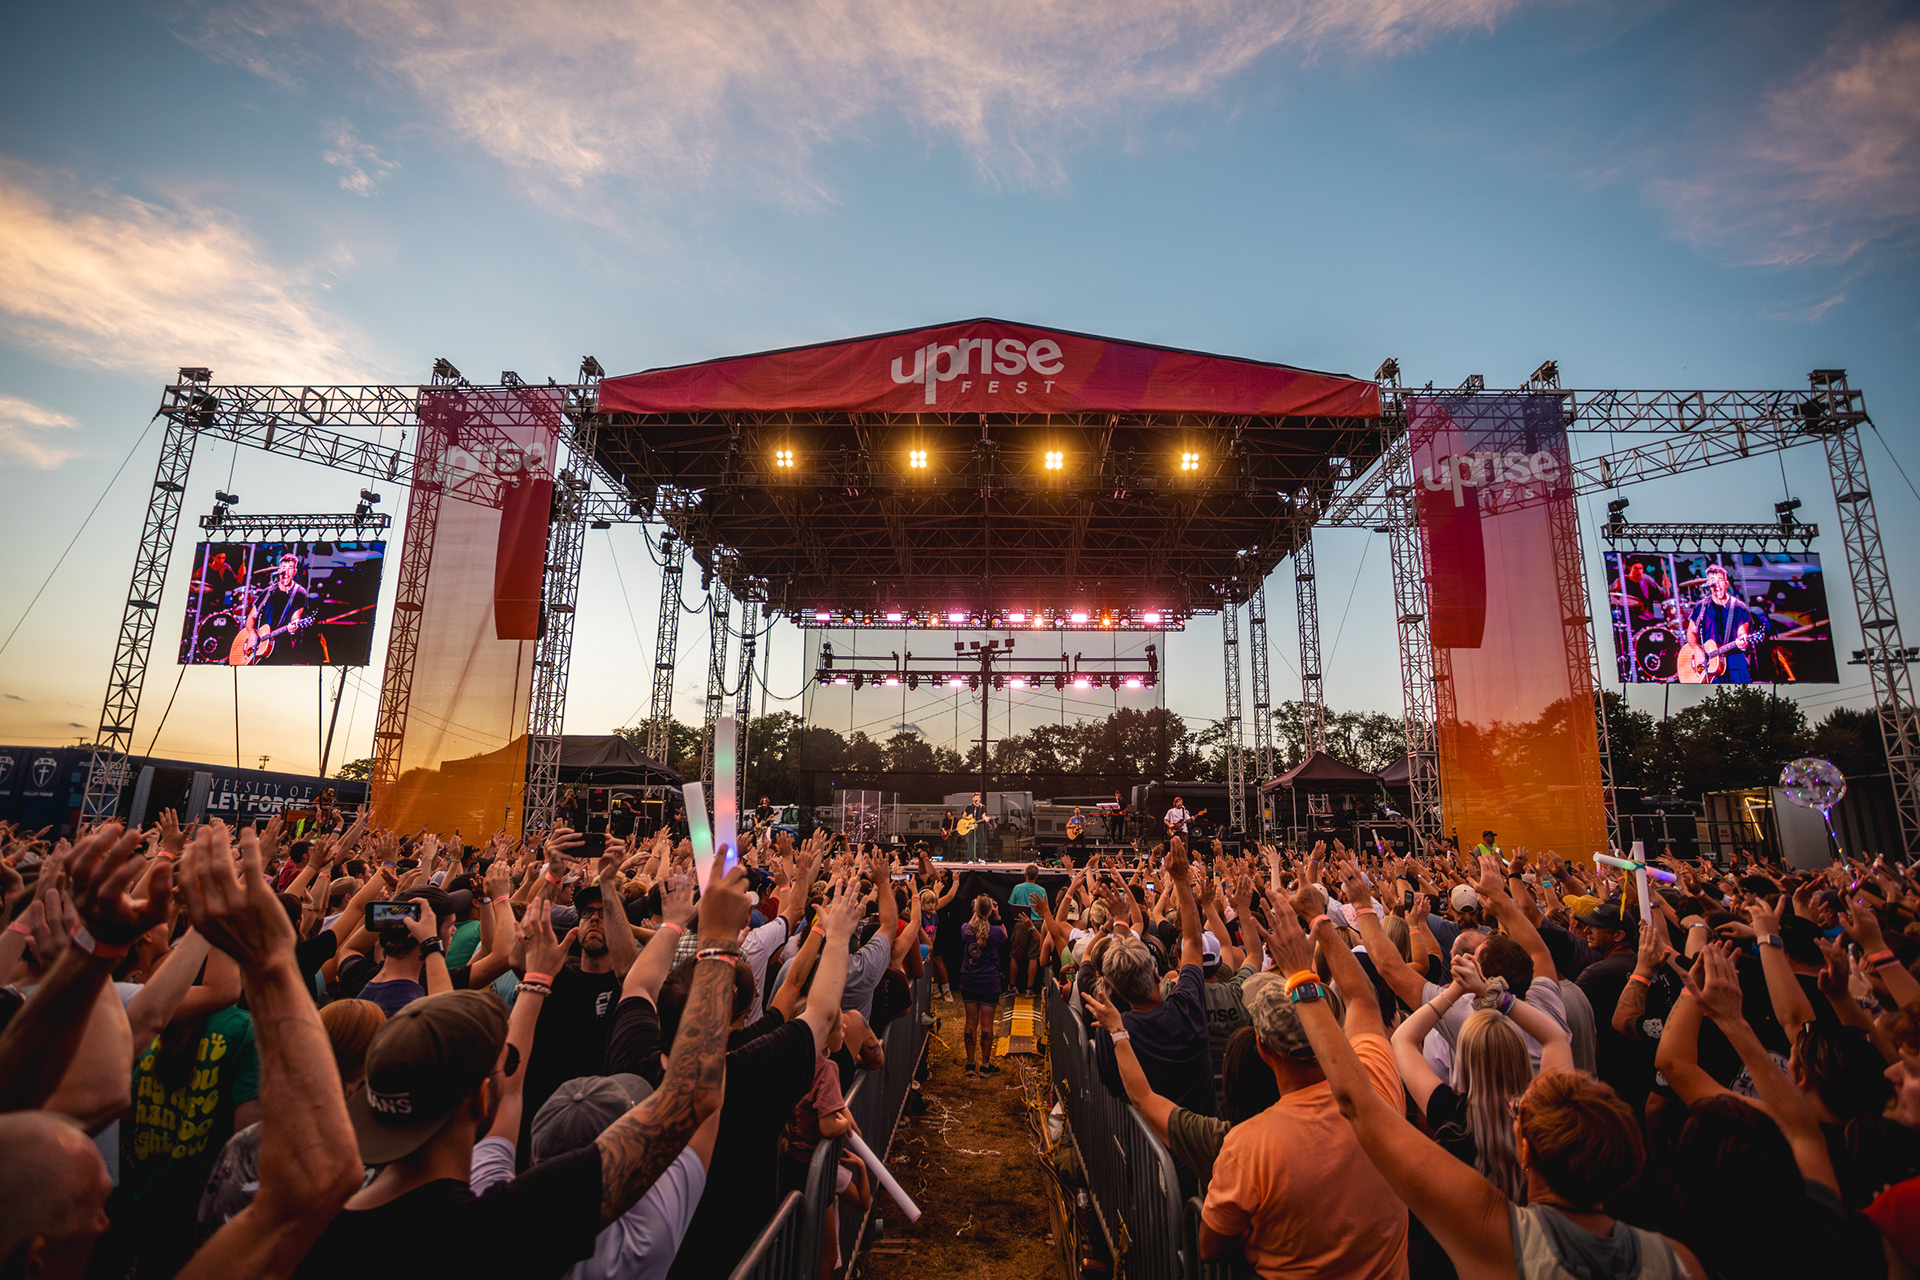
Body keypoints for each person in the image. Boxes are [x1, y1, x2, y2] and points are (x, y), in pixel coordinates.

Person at [292, 858, 750, 1280]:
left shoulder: (311, 1228)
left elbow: (509, 1089)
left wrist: (534, 980)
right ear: (480, 1099)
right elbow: (693, 1096)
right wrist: (717, 945)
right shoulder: (497, 1224)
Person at [1262, 899, 1708, 1280]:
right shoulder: (1677, 1259)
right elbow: (1555, 1038)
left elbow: (1362, 1103)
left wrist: (1300, 976)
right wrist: (1499, 996)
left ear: (1526, 1150)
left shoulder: (1494, 1232)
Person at [1197, 911, 1410, 1278]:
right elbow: (1363, 999)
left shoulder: (1247, 1147)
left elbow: (1210, 1246)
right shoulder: (1375, 1084)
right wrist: (1319, 919)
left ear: (1263, 1048)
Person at [1093, 838, 1216, 1117]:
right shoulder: (1186, 1007)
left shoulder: (1113, 1032)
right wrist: (1181, 880)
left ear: (1116, 991)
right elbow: (1193, 941)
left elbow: (1113, 1087)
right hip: (1203, 1131)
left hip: (1146, 1137)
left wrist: (1119, 921)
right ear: (1155, 973)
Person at [958, 894, 1007, 1076]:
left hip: (968, 980)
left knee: (970, 1021)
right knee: (987, 1024)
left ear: (975, 910)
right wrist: (997, 915)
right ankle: (985, 1065)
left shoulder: (965, 929)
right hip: (989, 982)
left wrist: (977, 913)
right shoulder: (996, 932)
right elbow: (1005, 935)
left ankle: (970, 1064)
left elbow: (970, 925)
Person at [1685, 563, 1754, 683]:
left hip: (1734, 663)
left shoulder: (1739, 607)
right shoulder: (1701, 607)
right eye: (1712, 581)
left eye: (1720, 580)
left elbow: (1742, 633)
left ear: (1726, 584)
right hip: (1711, 667)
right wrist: (1697, 650)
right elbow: (1691, 632)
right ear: (1708, 584)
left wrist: (1743, 641)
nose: (1716, 584)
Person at [1007, 863, 1048, 998]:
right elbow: (1045, 909)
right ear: (1037, 876)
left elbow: (1011, 905)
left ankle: (1012, 986)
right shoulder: (1042, 890)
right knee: (1033, 957)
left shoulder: (1017, 888)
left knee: (1015, 956)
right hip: (1037, 924)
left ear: (1025, 874)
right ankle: (1029, 989)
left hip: (1021, 924)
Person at [963, 794, 989, 862]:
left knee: (981, 841)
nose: (976, 799)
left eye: (978, 797)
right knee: (971, 842)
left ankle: (982, 858)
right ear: (973, 799)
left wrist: (985, 818)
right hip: (971, 826)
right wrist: (967, 817)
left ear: (980, 799)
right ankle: (970, 858)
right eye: (975, 797)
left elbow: (983, 815)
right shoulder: (969, 807)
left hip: (979, 825)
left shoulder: (982, 807)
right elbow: (964, 815)